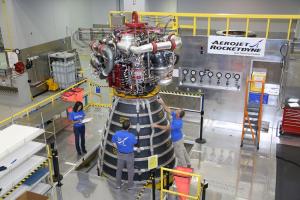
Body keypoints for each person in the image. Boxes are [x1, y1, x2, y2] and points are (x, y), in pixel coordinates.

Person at [153, 98, 191, 168]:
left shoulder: (177, 123)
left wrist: (156, 125)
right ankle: (188, 163)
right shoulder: (175, 116)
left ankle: (184, 168)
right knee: (183, 151)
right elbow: (168, 110)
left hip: (177, 141)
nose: (176, 110)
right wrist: (162, 102)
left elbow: (166, 128)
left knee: (180, 155)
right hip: (180, 138)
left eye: (177, 111)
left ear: (178, 115)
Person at [112, 120, 137, 189]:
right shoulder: (131, 136)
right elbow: (135, 143)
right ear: (129, 127)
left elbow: (113, 143)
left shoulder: (117, 134)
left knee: (119, 170)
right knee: (130, 171)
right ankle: (130, 186)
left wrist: (119, 148)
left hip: (120, 154)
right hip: (129, 155)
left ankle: (118, 185)